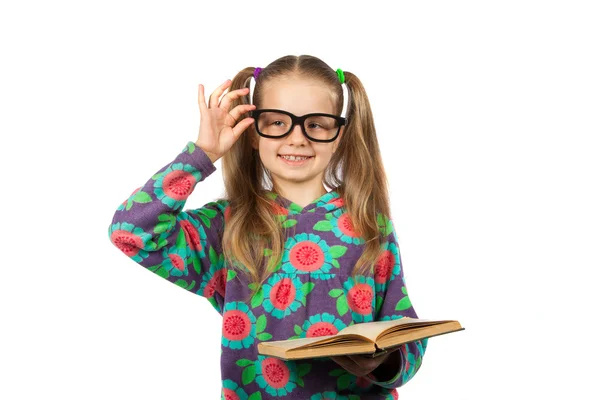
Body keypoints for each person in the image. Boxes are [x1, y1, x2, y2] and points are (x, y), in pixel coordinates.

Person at [108, 54, 428, 399]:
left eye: (316, 124)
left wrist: (384, 363)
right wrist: (202, 154)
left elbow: (404, 331)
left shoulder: (369, 223)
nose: (297, 138)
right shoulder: (228, 224)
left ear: (339, 134)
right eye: (277, 122)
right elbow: (131, 231)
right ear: (253, 132)